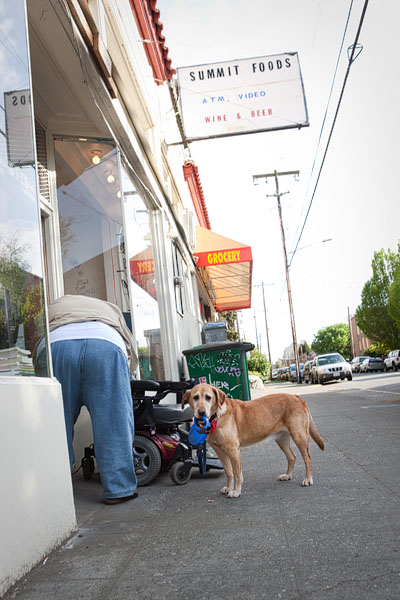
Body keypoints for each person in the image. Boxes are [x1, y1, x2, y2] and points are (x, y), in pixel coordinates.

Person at [47, 294, 138, 505]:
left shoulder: (53, 306)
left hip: (57, 345)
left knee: (57, 423)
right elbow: (129, 345)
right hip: (106, 343)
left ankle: (54, 490)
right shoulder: (110, 310)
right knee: (114, 422)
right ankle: (119, 489)